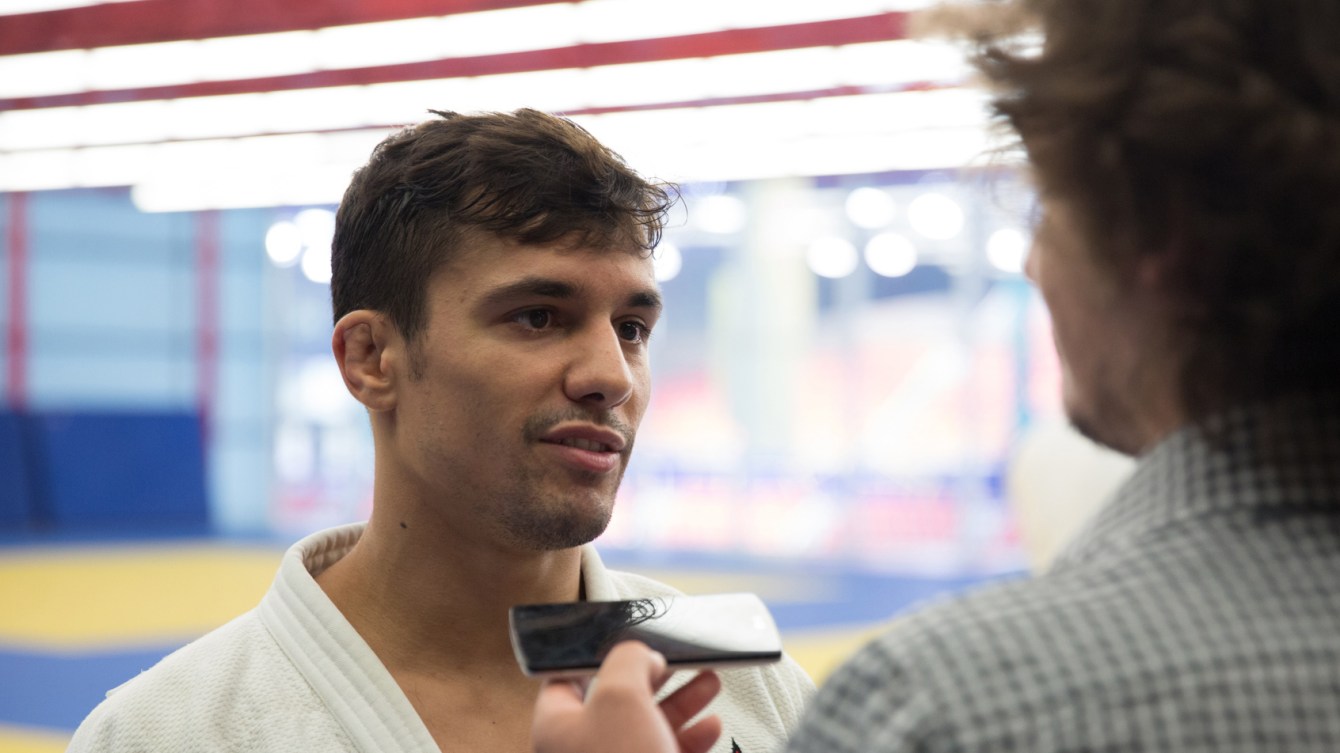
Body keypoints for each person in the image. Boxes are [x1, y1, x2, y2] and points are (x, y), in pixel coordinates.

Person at [532, 0, 1340, 750]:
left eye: (1047, 210)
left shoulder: (943, 704)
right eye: (537, 317)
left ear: (1156, 244)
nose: (1033, 261)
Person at [67, 109, 813, 753]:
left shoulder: (758, 693)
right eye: (538, 316)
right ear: (371, 359)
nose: (612, 374)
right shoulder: (164, 733)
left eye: (632, 327)